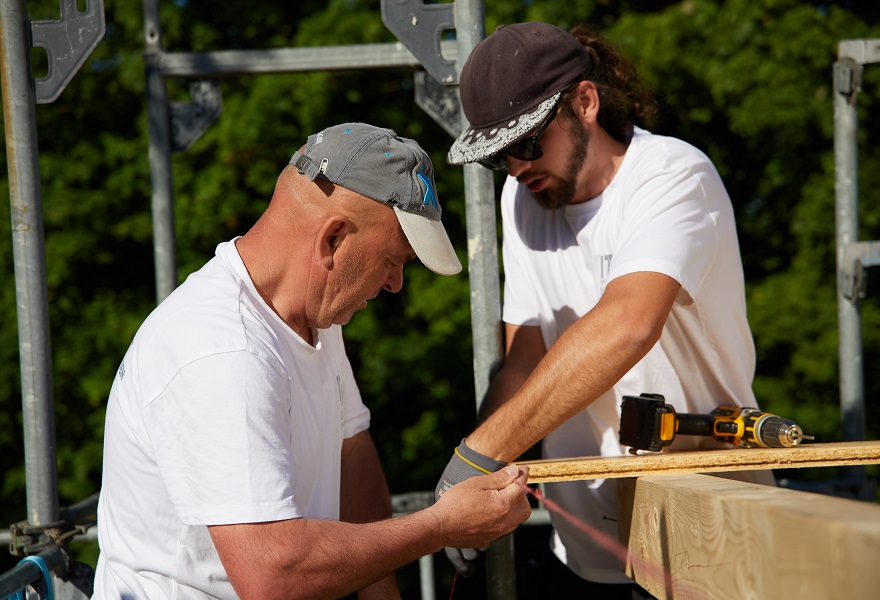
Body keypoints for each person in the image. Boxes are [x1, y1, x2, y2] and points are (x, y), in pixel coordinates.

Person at [93, 123, 532, 600]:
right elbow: (272, 577)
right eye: (393, 260)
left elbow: (353, 452)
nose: (395, 285)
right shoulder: (221, 352)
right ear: (333, 239)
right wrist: (441, 526)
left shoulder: (316, 317)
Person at [436, 22, 775, 599]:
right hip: (588, 556)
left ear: (585, 103)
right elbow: (525, 356)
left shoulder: (671, 178)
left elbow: (627, 325)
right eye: (498, 158)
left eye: (524, 144)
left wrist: (480, 453)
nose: (516, 168)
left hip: (706, 542)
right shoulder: (523, 198)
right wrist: (473, 481)